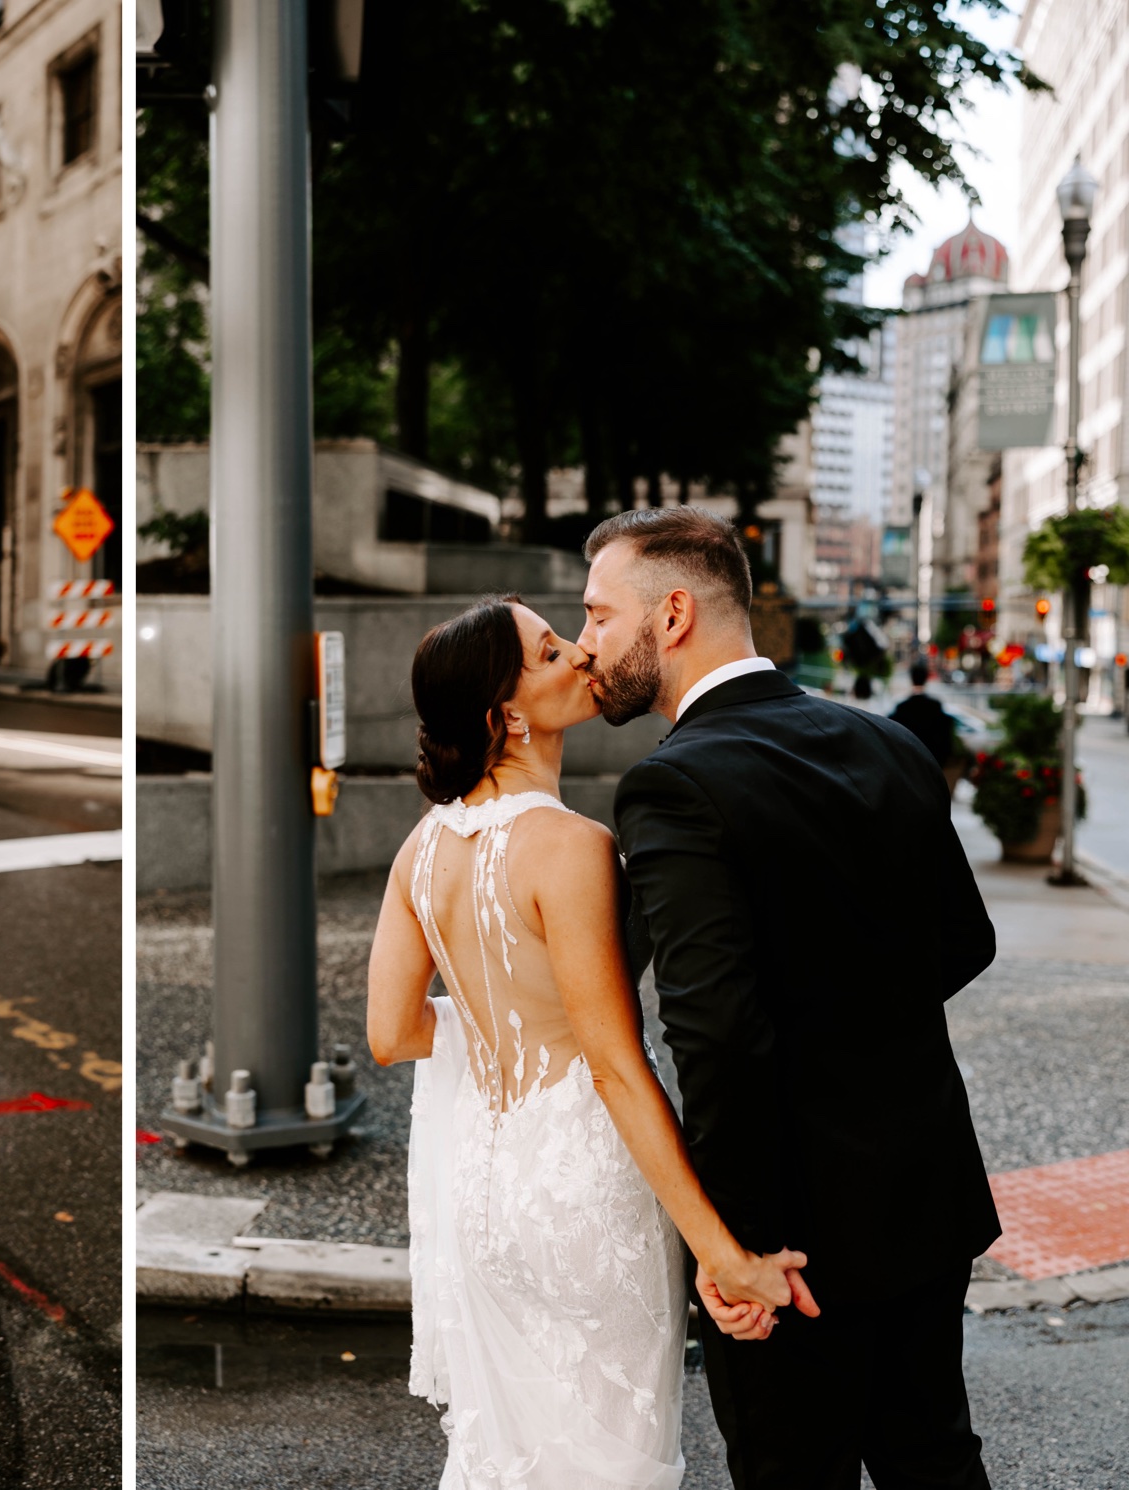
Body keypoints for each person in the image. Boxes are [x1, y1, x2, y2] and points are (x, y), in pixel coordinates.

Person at [578, 506, 999, 1488]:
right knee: (932, 1454)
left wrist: (734, 1250)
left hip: (790, 1238)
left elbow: (714, 1035)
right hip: (925, 1190)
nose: (586, 640)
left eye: (599, 613)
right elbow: (964, 941)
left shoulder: (673, 785)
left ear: (671, 613)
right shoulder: (887, 743)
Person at [366, 597, 814, 1489]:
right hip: (584, 1193)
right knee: (614, 1459)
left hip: (482, 1191)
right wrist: (724, 1257)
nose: (580, 653)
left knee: (515, 1454)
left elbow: (393, 1033)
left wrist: (501, 1028)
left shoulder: (420, 849)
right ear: (508, 714)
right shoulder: (573, 846)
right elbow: (613, 1063)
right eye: (548, 650)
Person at [892, 660, 963, 791]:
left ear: (911, 679)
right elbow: (945, 737)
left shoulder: (902, 708)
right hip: (933, 764)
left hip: (909, 765)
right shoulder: (935, 707)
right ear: (926, 679)